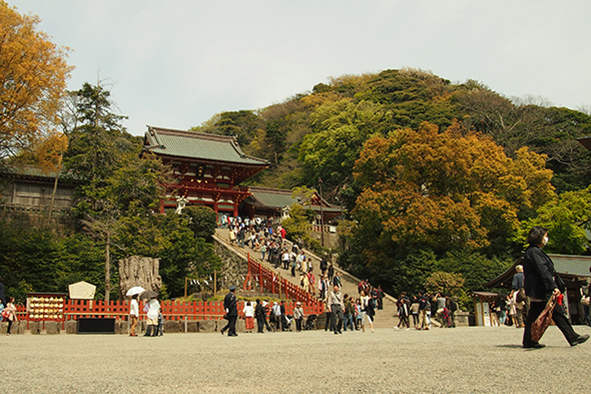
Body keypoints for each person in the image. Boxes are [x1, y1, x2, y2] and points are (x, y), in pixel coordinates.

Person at [522, 226, 589, 348]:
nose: (546, 239)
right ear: (539, 237)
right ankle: (572, 337)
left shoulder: (533, 251)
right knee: (555, 312)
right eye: (545, 236)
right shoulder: (535, 252)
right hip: (541, 288)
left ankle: (530, 340)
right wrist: (552, 286)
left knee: (543, 313)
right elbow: (543, 270)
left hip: (539, 288)